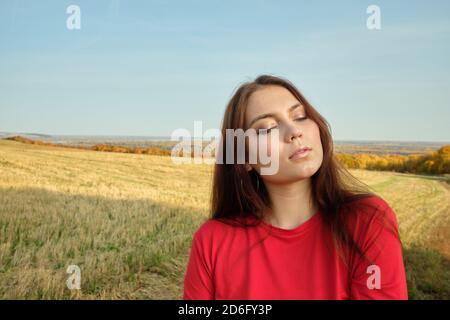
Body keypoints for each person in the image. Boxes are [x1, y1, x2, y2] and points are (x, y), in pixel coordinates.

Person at [183, 74, 408, 300]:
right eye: (267, 128)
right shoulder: (211, 241)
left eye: (300, 116)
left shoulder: (367, 221)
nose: (294, 131)